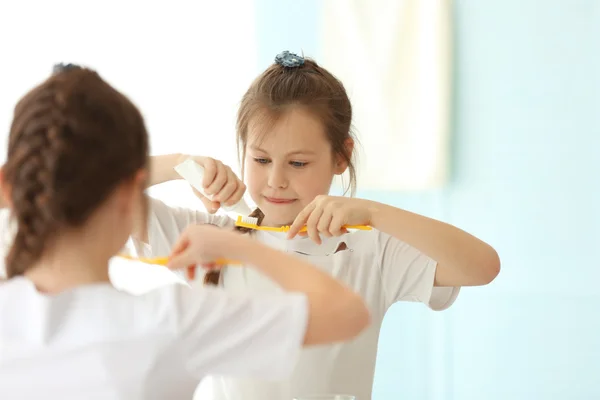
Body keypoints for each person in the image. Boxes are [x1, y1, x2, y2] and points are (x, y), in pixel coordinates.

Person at [135, 51, 501, 400]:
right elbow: (90, 194)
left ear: (341, 157)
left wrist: (374, 213)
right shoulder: (209, 241)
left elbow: (483, 266)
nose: (275, 180)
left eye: (297, 164)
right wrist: (181, 164)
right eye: (261, 159)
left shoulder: (369, 250)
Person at [0, 63, 370, 400]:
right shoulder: (170, 322)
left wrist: (179, 167)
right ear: (130, 191)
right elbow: (346, 313)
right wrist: (235, 244)